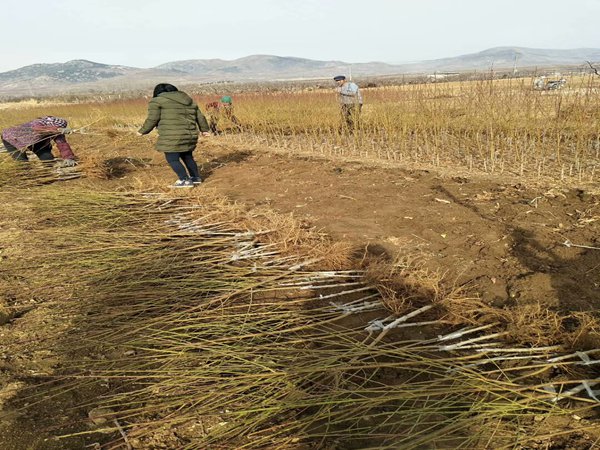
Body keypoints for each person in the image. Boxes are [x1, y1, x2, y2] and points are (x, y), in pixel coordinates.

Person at [137, 83, 211, 188]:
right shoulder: (188, 101)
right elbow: (200, 116)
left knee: (172, 158)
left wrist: (142, 131)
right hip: (189, 135)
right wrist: (204, 130)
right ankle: (195, 178)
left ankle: (184, 180)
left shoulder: (157, 101)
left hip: (171, 136)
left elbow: (152, 119)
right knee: (187, 156)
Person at [1, 116, 77, 165]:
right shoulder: (38, 123)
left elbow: (62, 144)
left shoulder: (58, 132)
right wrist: (57, 129)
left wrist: (69, 158)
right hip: (12, 139)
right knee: (22, 162)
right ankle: (26, 179)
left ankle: (49, 175)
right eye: (58, 127)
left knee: (48, 159)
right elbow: (38, 129)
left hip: (37, 141)